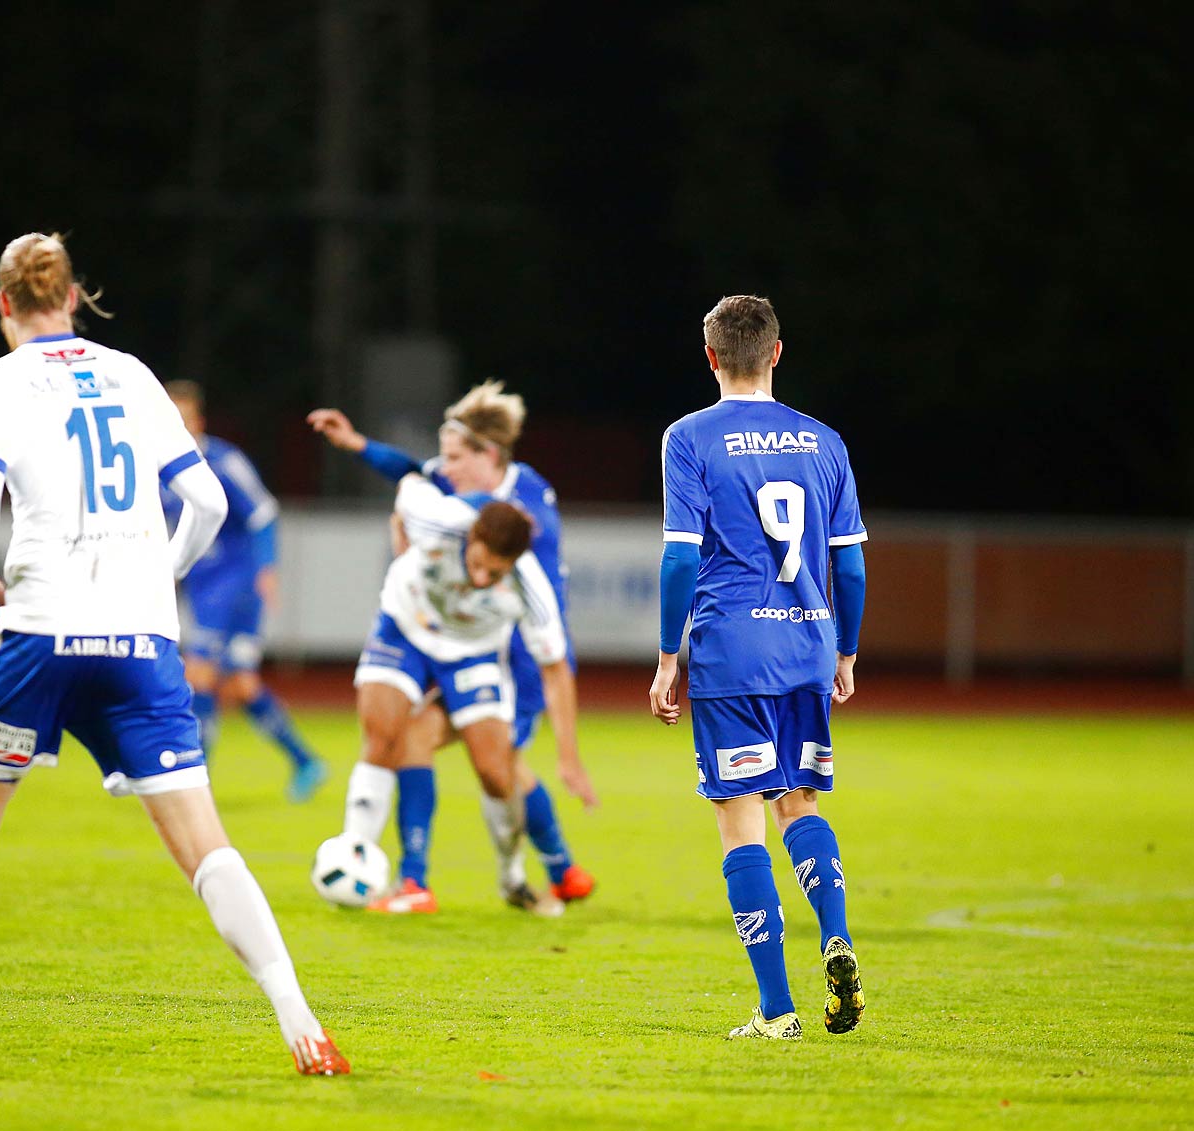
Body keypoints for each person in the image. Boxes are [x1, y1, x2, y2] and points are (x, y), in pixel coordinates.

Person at [0, 232, 347, 1077]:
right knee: (206, 846)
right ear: (74, 297)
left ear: (4, 304)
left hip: (39, 632)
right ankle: (302, 1025)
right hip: (140, 642)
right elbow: (208, 501)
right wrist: (157, 577)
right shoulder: (133, 375)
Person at [650, 294, 868, 1040]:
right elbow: (853, 567)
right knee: (799, 804)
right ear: (777, 353)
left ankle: (778, 1011)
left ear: (711, 357)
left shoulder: (689, 438)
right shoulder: (825, 441)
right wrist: (845, 649)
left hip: (732, 649)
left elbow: (681, 556)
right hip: (807, 643)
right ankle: (835, 933)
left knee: (740, 822)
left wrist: (667, 653)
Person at [309, 384, 597, 912]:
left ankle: (542, 869)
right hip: (417, 629)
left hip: (498, 653)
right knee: (396, 736)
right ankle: (397, 872)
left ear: (488, 456)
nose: (445, 466)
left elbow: (551, 646)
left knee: (500, 767)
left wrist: (569, 755)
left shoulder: (530, 526)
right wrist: (357, 447)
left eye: (456, 457)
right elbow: (409, 481)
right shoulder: (440, 504)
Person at [160, 380, 327, 803]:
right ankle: (305, 761)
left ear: (197, 420)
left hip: (235, 582)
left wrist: (267, 567)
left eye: (183, 418)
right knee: (239, 684)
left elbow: (264, 511)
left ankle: (199, 781)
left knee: (199, 674)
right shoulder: (157, 465)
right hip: (202, 585)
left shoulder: (222, 460)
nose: (175, 425)